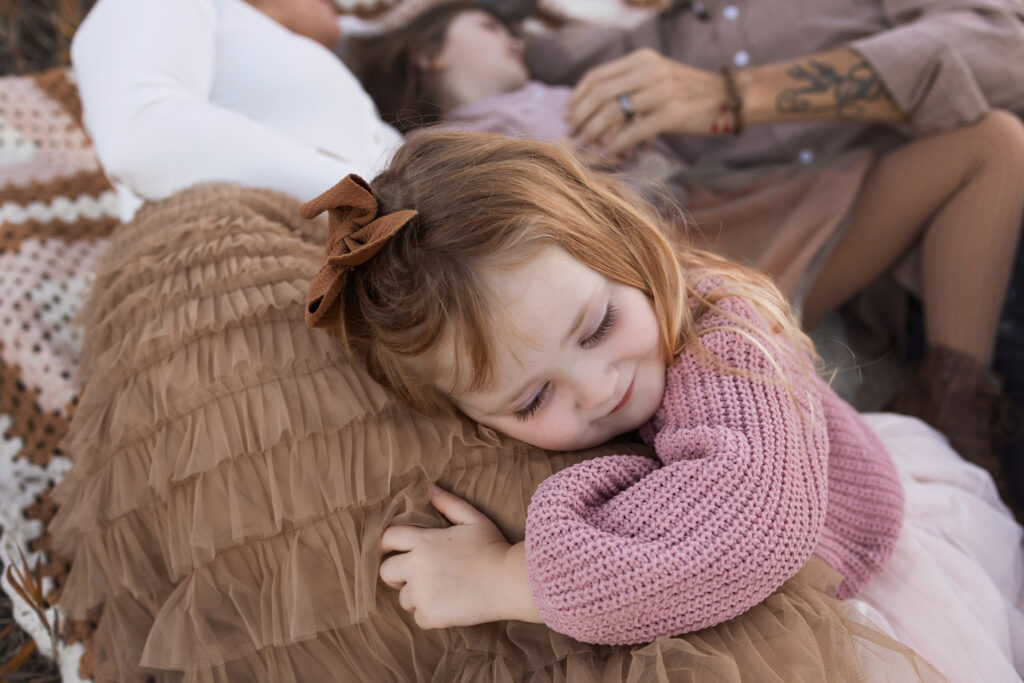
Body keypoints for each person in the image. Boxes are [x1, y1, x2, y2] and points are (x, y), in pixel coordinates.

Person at [301, 131, 1024, 680]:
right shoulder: (584, 340)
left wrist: (500, 577)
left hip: (866, 552)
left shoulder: (730, 335)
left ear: (619, 242)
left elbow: (743, 527)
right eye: (532, 398)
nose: (597, 386)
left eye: (598, 326)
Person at [345, 0, 1024, 491]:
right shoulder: (574, 54)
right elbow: (368, 41)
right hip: (683, 240)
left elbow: (1003, 43)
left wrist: (733, 97)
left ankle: (956, 403)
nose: (510, 41)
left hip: (785, 219)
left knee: (994, 141)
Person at [71, 0, 403, 221]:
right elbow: (141, 137)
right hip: (250, 282)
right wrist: (378, 203)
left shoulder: (312, 54)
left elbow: (392, 28)